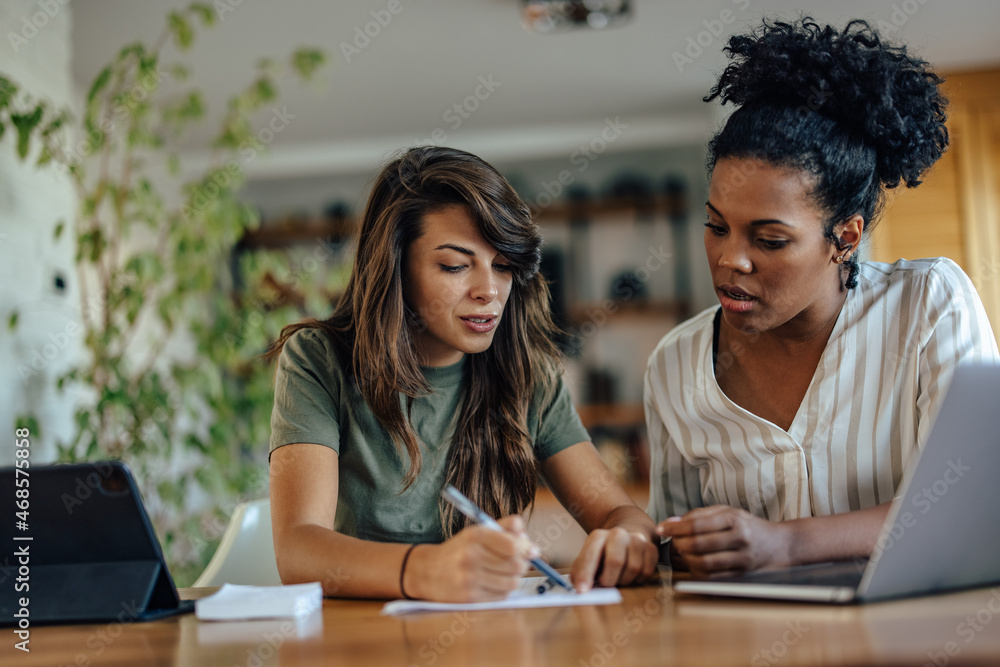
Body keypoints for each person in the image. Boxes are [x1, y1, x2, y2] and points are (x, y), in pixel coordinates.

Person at [646, 18, 1000, 579]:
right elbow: (675, 544)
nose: (730, 259)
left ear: (846, 237)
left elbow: (980, 502)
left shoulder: (927, 305)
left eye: (770, 240)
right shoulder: (674, 362)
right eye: (716, 227)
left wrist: (785, 544)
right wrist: (668, 547)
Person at [267, 146, 658, 601]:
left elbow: (618, 513)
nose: (489, 291)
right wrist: (427, 570)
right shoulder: (319, 360)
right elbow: (298, 550)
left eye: (504, 266)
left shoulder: (529, 376)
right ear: (395, 266)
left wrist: (627, 539)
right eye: (455, 266)